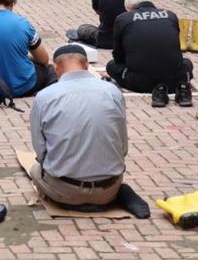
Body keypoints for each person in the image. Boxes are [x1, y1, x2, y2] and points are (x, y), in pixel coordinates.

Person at [29, 45, 127, 206]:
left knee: (35, 169)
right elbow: (123, 146)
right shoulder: (113, 92)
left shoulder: (44, 97)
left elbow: (41, 151)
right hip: (108, 190)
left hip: (65, 191)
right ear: (86, 64)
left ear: (56, 68)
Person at [106, 0, 193, 106]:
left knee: (111, 66)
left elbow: (118, 56)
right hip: (174, 80)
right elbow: (174, 48)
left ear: (128, 8)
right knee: (187, 63)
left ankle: (156, 85)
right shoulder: (171, 15)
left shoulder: (123, 19)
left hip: (139, 82)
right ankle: (180, 87)